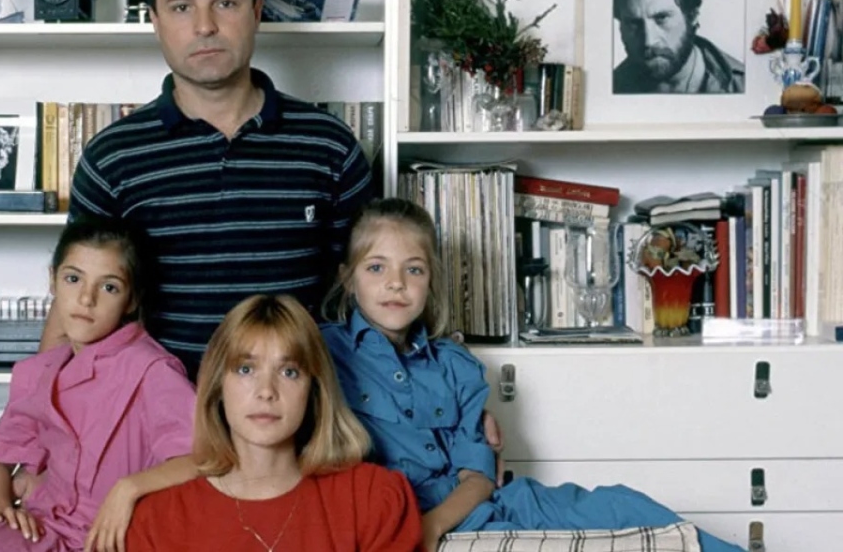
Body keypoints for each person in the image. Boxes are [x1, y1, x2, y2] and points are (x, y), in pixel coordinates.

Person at [39, 0, 376, 379]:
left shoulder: (330, 146)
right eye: (182, 7)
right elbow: (74, 309)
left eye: (226, 3)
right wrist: (37, 412)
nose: (205, 26)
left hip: (297, 412)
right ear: (155, 21)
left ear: (257, 11)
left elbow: (364, 297)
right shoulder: (110, 159)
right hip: (154, 415)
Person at [319, 197, 747, 552]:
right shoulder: (324, 354)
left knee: (622, 506)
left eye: (413, 269)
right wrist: (420, 529)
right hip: (409, 516)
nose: (396, 283)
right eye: (376, 267)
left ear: (430, 281)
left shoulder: (454, 364)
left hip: (480, 506)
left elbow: (478, 477)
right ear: (348, 279)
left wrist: (432, 527)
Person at [0, 218, 199, 552]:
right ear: (52, 280)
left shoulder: (152, 371)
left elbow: (204, 461)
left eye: (109, 287)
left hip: (113, 541)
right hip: (42, 533)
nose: (86, 298)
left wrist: (129, 488)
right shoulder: (41, 372)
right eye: (73, 279)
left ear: (131, 300)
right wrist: (2, 510)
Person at [126, 294, 423, 551]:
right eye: (245, 369)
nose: (266, 391)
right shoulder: (158, 520)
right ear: (217, 386)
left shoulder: (373, 498)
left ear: (314, 390)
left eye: (289, 372)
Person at [612, 0, 745, 94]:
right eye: (633, 23)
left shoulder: (744, 86)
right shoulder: (610, 88)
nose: (649, 41)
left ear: (693, 15)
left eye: (662, 18)